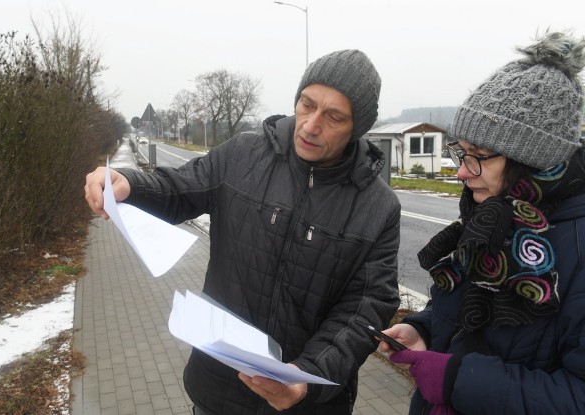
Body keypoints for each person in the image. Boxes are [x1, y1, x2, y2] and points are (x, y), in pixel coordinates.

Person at [85, 49, 401, 414]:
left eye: (333, 117)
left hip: (308, 404)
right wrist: (128, 184)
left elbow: (366, 308)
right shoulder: (242, 155)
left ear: (356, 127)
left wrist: (307, 375)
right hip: (217, 390)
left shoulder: (378, 207)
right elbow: (178, 188)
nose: (311, 125)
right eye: (307, 104)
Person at [379, 31, 585, 414]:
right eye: (461, 151)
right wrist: (424, 329)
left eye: (479, 156)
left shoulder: (577, 247)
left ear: (532, 160)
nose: (460, 171)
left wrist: (457, 379)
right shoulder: (491, 214)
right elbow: (473, 311)